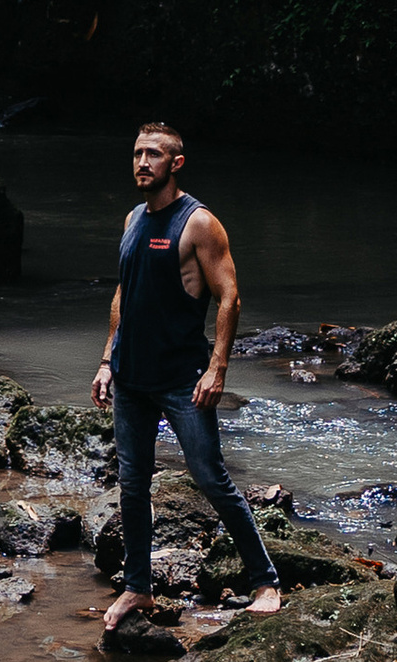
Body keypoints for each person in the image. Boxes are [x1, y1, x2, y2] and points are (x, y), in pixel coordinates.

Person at [93, 120, 283, 633]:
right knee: (132, 485)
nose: (142, 163)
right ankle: (138, 587)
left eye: (153, 154)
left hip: (182, 379)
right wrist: (107, 360)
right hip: (130, 377)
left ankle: (266, 582)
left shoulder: (198, 223)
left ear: (175, 163)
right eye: (137, 153)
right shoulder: (133, 218)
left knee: (211, 479)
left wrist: (217, 368)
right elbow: (123, 292)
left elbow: (229, 297)